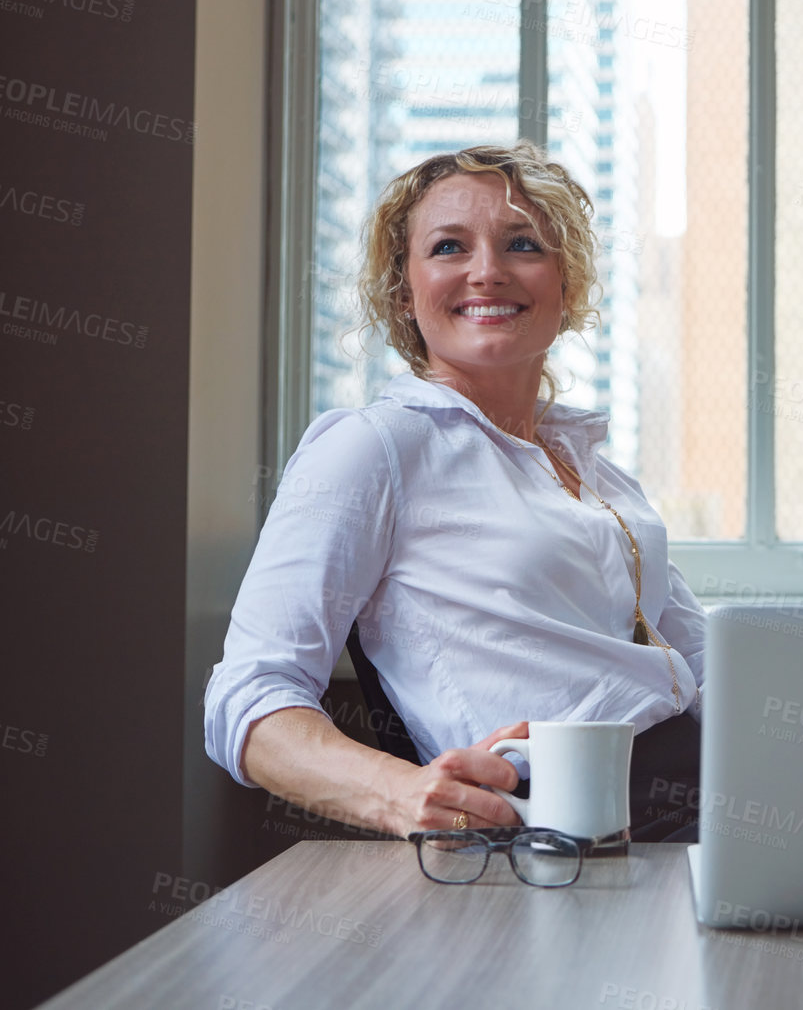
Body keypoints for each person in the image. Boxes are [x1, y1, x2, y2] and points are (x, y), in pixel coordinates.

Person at [204, 142, 704, 842]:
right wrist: (399, 794)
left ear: (567, 283)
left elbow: (707, 662)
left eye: (522, 243)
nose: (488, 272)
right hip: (562, 831)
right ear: (405, 293)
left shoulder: (595, 473)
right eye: (448, 247)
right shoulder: (373, 447)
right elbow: (247, 699)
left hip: (710, 801)